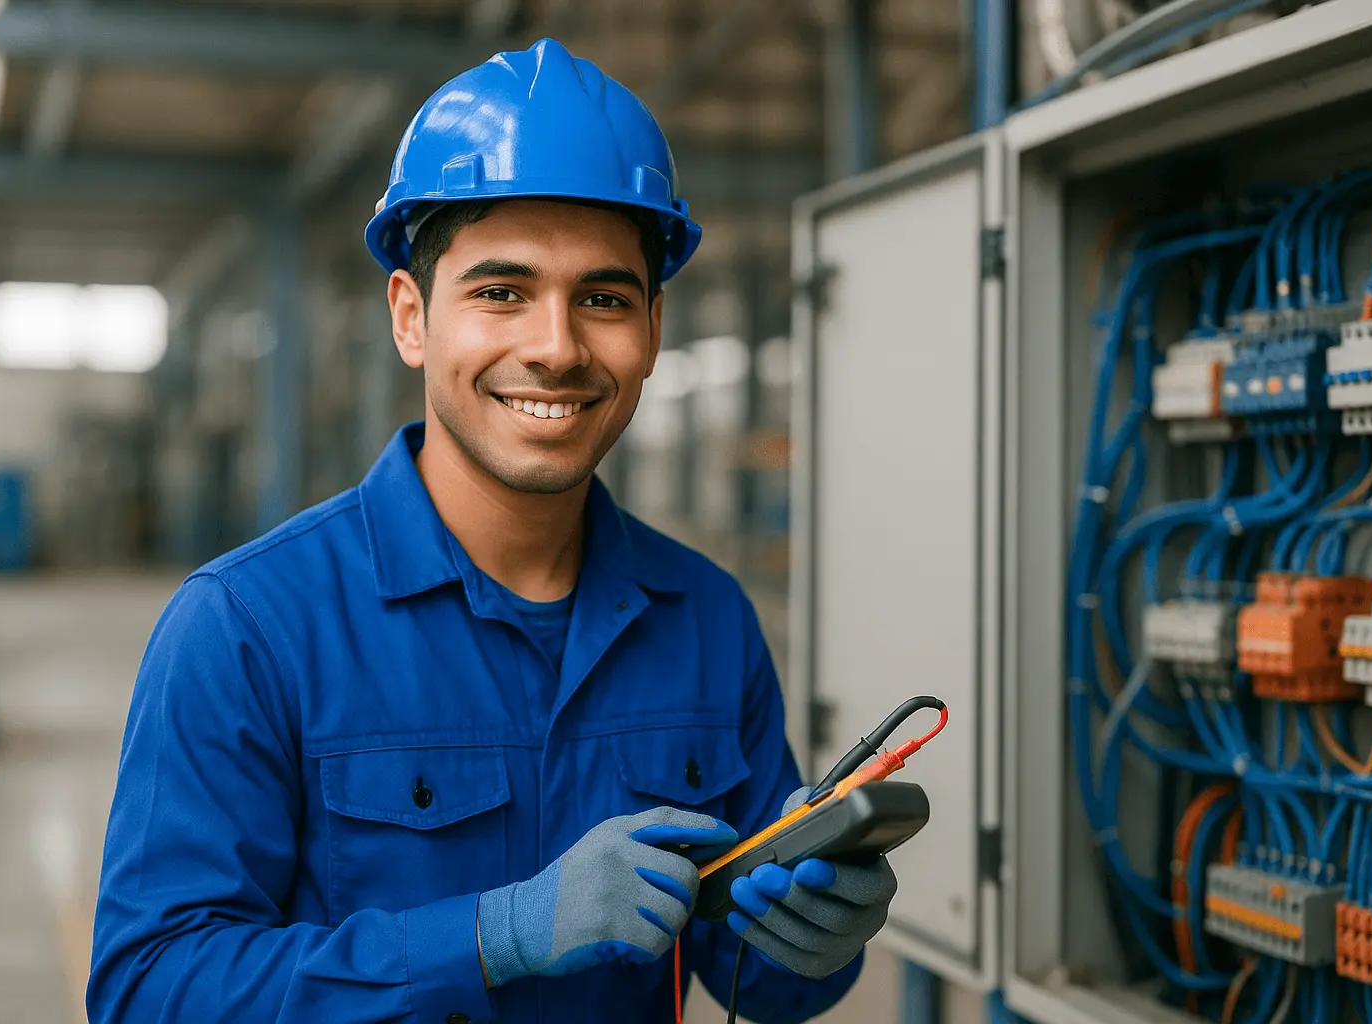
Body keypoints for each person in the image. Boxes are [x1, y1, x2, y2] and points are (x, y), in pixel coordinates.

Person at [87, 37, 896, 1024]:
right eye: (501, 292)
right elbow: (149, 989)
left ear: (651, 331)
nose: (555, 347)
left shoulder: (706, 620)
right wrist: (489, 935)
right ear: (411, 316)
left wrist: (817, 940)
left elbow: (746, 974)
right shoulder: (247, 625)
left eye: (603, 297)